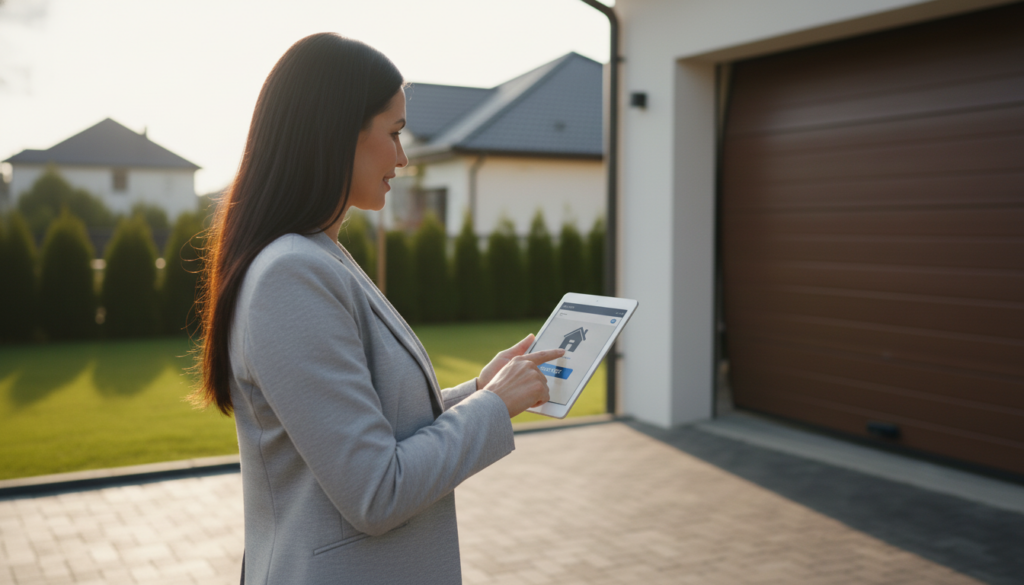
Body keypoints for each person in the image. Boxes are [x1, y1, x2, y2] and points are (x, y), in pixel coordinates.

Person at [192, 33, 563, 584]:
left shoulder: (319, 254)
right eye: (393, 133)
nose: (403, 156)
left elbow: (374, 425)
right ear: (337, 133)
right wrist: (493, 410)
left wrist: (480, 392)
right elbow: (376, 490)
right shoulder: (292, 273)